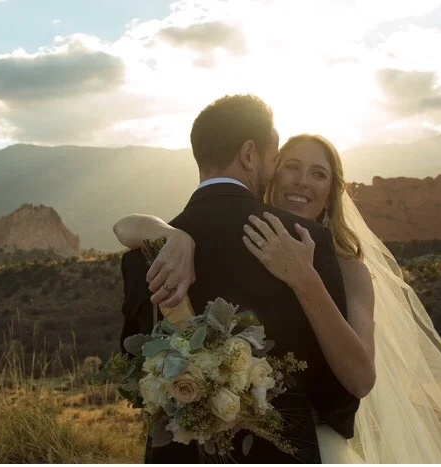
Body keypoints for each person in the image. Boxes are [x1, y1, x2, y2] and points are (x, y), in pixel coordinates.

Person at [115, 131, 441, 463]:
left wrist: (305, 279)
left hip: (311, 443)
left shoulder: (349, 269)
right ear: (271, 174)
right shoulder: (239, 241)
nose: (302, 182)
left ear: (331, 191)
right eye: (291, 167)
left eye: (318, 174)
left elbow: (361, 378)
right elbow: (125, 227)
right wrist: (168, 233)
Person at [116, 94, 360, 463]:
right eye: (274, 158)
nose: (274, 169)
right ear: (249, 154)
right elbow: (336, 393)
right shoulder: (302, 241)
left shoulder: (143, 254)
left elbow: (131, 370)